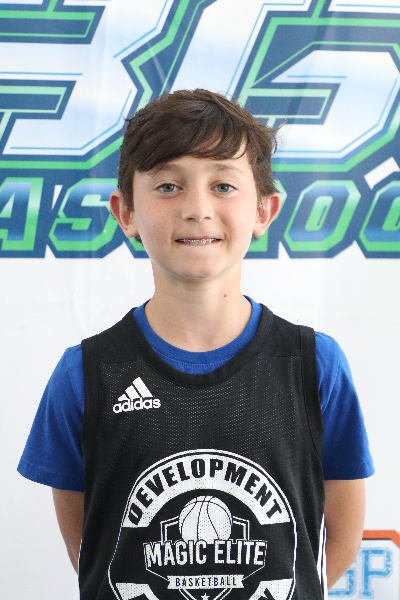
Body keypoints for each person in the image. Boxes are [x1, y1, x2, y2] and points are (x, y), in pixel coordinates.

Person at [18, 89, 374, 600]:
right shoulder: (87, 374)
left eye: (223, 185)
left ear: (264, 211)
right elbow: (93, 548)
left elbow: (340, 538)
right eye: (168, 186)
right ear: (126, 212)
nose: (197, 208)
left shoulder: (314, 365)